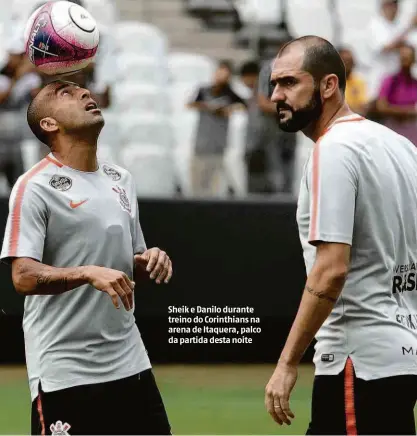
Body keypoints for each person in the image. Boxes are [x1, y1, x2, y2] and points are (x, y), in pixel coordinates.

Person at [0, 79, 173, 435]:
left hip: (130, 363)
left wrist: (148, 260)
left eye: (83, 91)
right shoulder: (33, 186)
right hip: (66, 372)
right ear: (49, 124)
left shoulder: (120, 178)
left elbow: (128, 266)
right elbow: (22, 277)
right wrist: (86, 273)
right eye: (66, 93)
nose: (84, 94)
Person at [264, 35, 417, 435]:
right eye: (274, 84)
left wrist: (286, 362)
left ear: (328, 85)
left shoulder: (333, 149)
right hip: (402, 357)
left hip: (357, 360)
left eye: (289, 83)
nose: (277, 95)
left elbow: (331, 269)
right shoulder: (401, 147)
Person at [187, 60, 246, 197]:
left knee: (214, 186)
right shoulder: (204, 90)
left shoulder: (230, 94)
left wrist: (229, 109)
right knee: (197, 184)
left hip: (218, 146)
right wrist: (208, 107)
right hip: (201, 144)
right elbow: (190, 104)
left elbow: (244, 106)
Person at [366, 0, 417, 101]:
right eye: (390, 4)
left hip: (398, 85)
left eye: (396, 3)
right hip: (380, 82)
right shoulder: (375, 25)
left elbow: (410, 48)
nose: (393, 7)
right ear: (382, 6)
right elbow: (386, 47)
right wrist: (410, 27)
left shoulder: (399, 25)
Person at [376, 43, 417, 145]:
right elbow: (381, 107)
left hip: (412, 130)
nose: (405, 61)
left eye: (408, 58)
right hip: (393, 128)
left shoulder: (415, 82)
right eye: (403, 57)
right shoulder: (389, 80)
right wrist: (407, 112)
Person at [339, 47, 369, 116]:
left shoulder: (359, 81)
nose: (348, 64)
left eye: (350, 61)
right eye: (345, 61)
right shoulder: (331, 82)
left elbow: (363, 107)